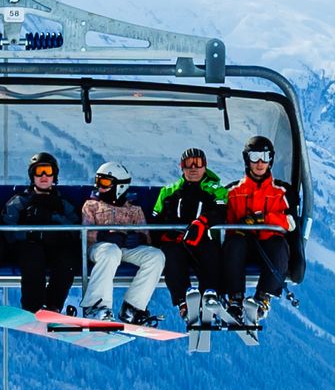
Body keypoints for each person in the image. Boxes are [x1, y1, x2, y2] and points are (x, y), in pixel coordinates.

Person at [217, 133, 296, 319]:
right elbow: (224, 223)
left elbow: (291, 223)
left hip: (267, 245)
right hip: (243, 246)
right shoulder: (233, 192)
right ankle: (235, 298)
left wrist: (264, 218)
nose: (260, 163)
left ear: (271, 160)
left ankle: (262, 298)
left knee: (279, 247)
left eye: (265, 157)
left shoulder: (282, 192)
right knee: (234, 243)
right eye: (255, 157)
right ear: (247, 160)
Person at [79, 166, 168, 324]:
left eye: (105, 182)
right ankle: (96, 306)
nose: (100, 186)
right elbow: (84, 234)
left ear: (120, 186)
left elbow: (146, 237)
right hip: (99, 248)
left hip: (126, 249)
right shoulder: (91, 206)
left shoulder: (134, 210)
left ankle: (133, 308)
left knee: (155, 256)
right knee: (111, 251)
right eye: (98, 181)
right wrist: (103, 235)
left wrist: (138, 238)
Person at [152, 146, 227, 324]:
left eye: (198, 163)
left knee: (211, 252)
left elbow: (222, 211)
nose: (193, 168)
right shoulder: (169, 192)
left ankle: (210, 294)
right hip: (177, 242)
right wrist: (161, 238)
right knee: (171, 256)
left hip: (202, 239)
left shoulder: (214, 190)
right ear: (182, 167)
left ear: (205, 166)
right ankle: (184, 302)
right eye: (188, 164)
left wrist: (203, 221)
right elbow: (155, 221)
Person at [7, 151, 80, 313]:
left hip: (55, 248)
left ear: (55, 175)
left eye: (49, 171)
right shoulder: (21, 201)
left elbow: (76, 229)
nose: (44, 176)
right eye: (39, 172)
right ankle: (33, 306)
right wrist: (31, 234)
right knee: (33, 255)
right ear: (32, 175)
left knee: (67, 260)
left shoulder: (62, 203)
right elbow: (8, 229)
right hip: (28, 247)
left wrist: (56, 221)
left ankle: (53, 306)